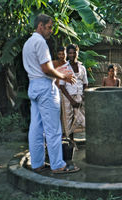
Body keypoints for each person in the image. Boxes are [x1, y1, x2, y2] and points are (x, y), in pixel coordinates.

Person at [22, 14, 79, 173]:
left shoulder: (28, 43)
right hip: (45, 87)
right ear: (40, 25)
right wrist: (64, 77)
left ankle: (37, 163)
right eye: (49, 27)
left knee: (36, 127)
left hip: (33, 86)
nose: (51, 31)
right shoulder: (40, 42)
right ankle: (58, 165)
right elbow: (46, 69)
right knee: (53, 129)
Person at [59, 44, 88, 142]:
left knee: (81, 118)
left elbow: (85, 83)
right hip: (68, 97)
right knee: (69, 120)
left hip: (79, 96)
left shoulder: (82, 68)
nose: (72, 55)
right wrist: (71, 100)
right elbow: (62, 86)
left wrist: (82, 95)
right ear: (67, 54)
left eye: (74, 53)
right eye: (70, 53)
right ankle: (71, 142)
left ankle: (86, 140)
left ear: (77, 53)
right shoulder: (64, 68)